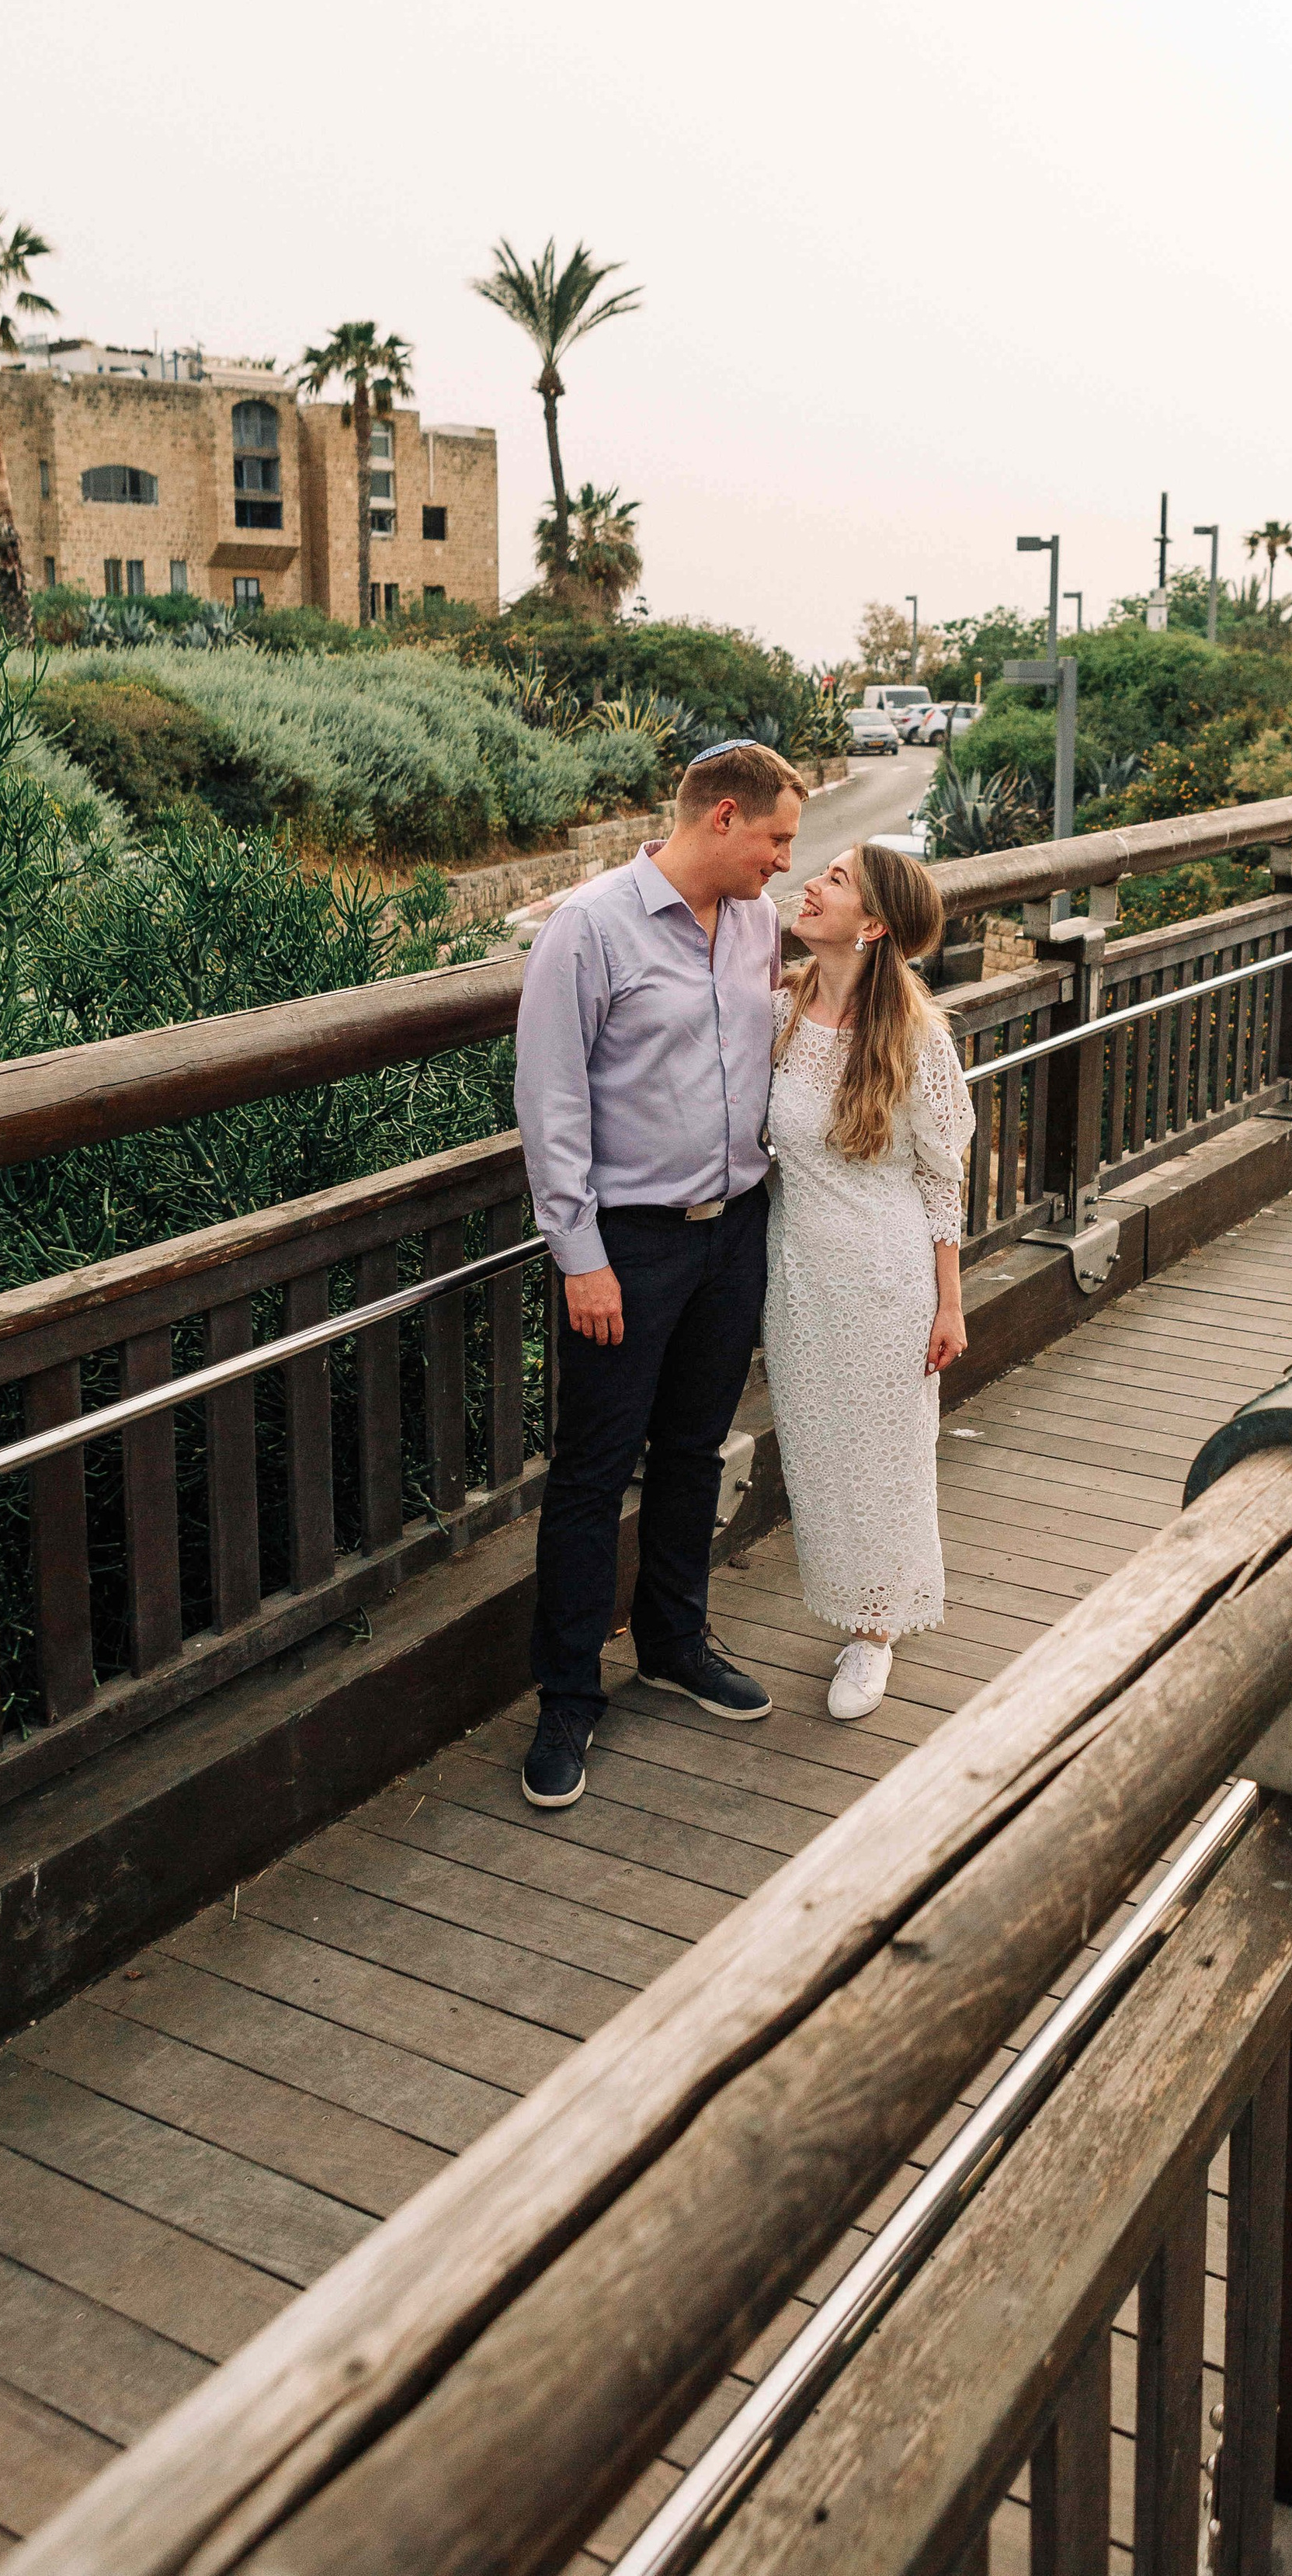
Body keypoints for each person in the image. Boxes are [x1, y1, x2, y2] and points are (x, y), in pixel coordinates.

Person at [512, 739, 807, 1808]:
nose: (785, 858)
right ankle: (566, 1699)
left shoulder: (760, 925)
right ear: (720, 817)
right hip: (627, 1246)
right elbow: (549, 1107)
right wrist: (579, 1257)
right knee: (594, 1475)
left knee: (694, 1449)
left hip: (735, 1231)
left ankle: (676, 1645)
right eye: (776, 836)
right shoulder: (588, 928)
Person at [762, 842, 974, 1719]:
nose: (811, 882)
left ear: (875, 923)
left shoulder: (915, 1040)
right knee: (818, 1460)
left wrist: (949, 1300)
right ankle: (849, 1603)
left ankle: (875, 1632)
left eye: (836, 879)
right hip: (796, 1277)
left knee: (885, 1460)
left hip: (887, 1278)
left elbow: (941, 1174)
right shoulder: (778, 1004)